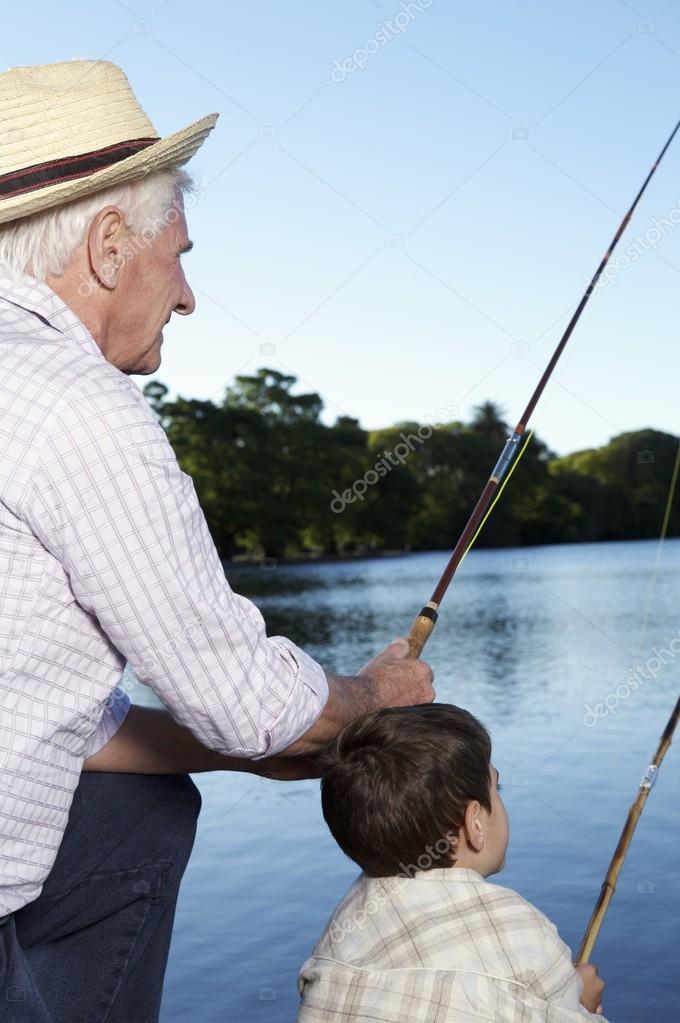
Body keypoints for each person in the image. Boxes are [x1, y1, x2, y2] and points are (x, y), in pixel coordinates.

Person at [0, 59, 434, 1021]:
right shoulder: (77, 407)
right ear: (111, 246)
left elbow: (59, 715)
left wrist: (247, 750)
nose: (188, 295)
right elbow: (246, 700)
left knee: (135, 809)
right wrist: (372, 700)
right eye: (181, 253)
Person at [297, 704, 608, 1022]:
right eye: (496, 789)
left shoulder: (342, 930)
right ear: (475, 823)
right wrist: (580, 1004)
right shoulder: (518, 930)